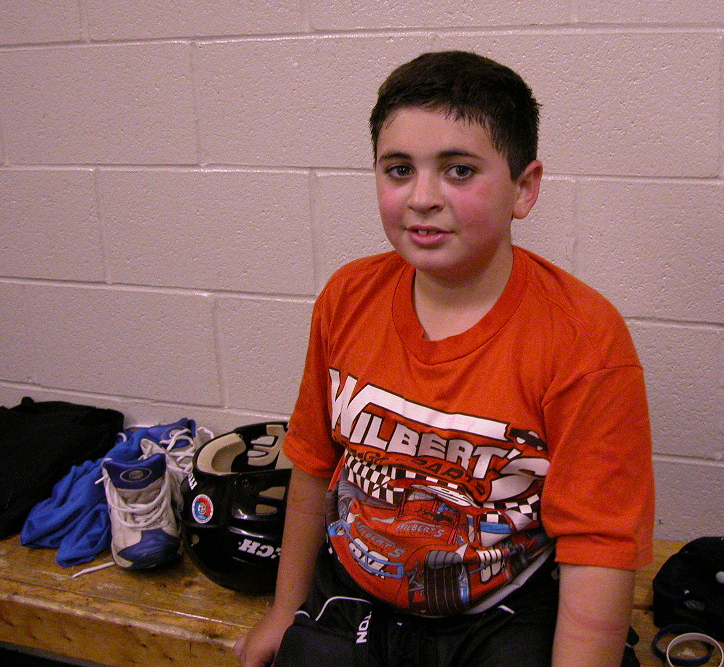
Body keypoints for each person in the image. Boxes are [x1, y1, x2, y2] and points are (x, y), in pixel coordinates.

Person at [234, 50, 656, 667]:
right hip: (358, 586)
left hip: (503, 603)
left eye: (459, 171)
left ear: (524, 188)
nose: (422, 197)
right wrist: (282, 612)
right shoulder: (347, 298)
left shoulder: (584, 338)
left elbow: (600, 545)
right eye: (399, 169)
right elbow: (313, 463)